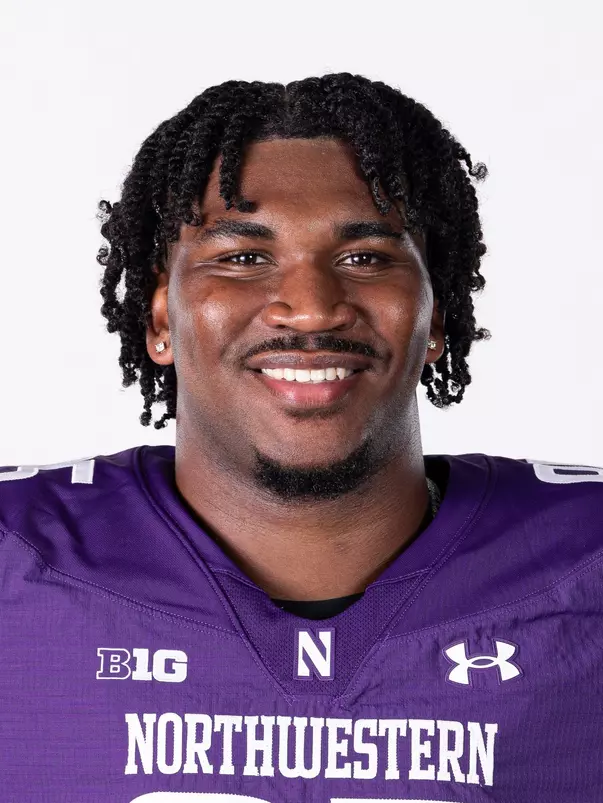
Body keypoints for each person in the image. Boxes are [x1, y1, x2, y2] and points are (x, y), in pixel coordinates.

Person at [1, 73, 602, 803]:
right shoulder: (18, 557)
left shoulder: (583, 559)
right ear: (160, 319)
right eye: (244, 257)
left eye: (366, 257)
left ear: (436, 316)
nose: (311, 308)